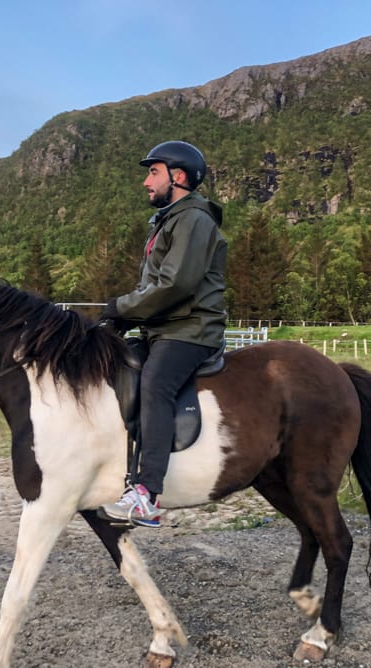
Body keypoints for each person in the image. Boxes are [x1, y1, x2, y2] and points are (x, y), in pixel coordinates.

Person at [98, 140, 227, 527]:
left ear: (179, 176)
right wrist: (123, 319)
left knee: (155, 382)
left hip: (190, 330)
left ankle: (146, 493)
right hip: (161, 328)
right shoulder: (169, 220)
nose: (145, 181)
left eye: (153, 172)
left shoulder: (194, 220)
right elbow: (153, 289)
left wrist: (122, 308)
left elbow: (175, 285)